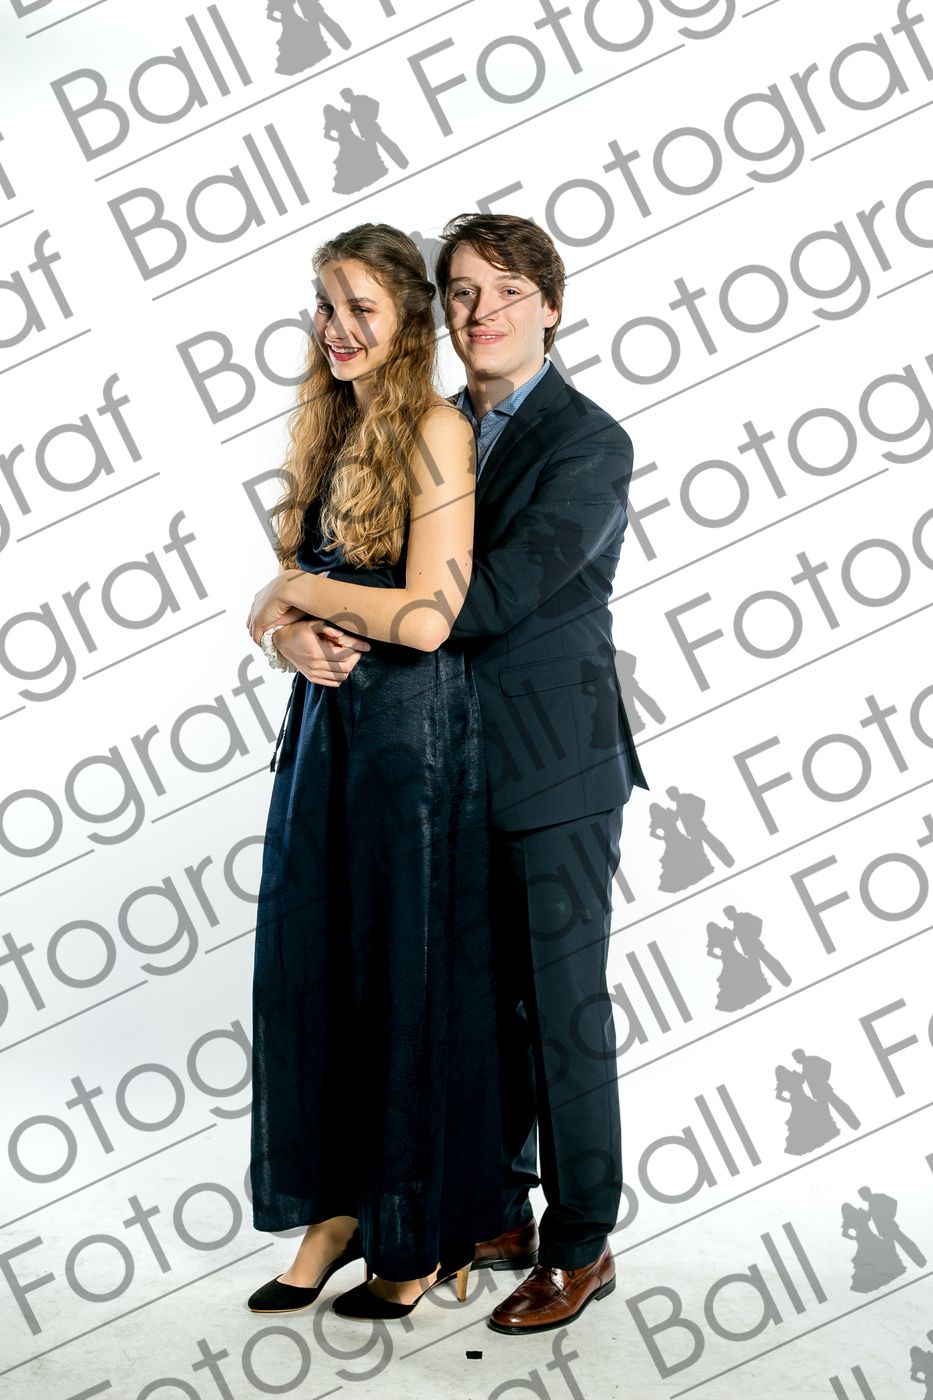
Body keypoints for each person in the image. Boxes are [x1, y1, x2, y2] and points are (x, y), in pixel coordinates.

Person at [278, 212, 648, 1333]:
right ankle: (495, 1211)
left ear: (552, 305)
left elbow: (478, 602)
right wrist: (292, 627)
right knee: (470, 1005)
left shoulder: (589, 444)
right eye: (462, 291)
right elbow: (357, 559)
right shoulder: (427, 423)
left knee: (559, 1011)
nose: (481, 310)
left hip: (550, 766)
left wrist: (299, 595)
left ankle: (580, 1242)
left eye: (505, 289)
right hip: (436, 770)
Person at [244, 223, 501, 1320]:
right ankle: (338, 1212)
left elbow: (430, 617)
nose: (337, 327)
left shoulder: (438, 429)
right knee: (318, 961)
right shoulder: (328, 422)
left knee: (402, 968)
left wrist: (295, 595)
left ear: (406, 321)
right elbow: (282, 600)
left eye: (361, 308)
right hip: (324, 728)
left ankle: (412, 1224)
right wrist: (285, 632)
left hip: (409, 736)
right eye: (325, 304)